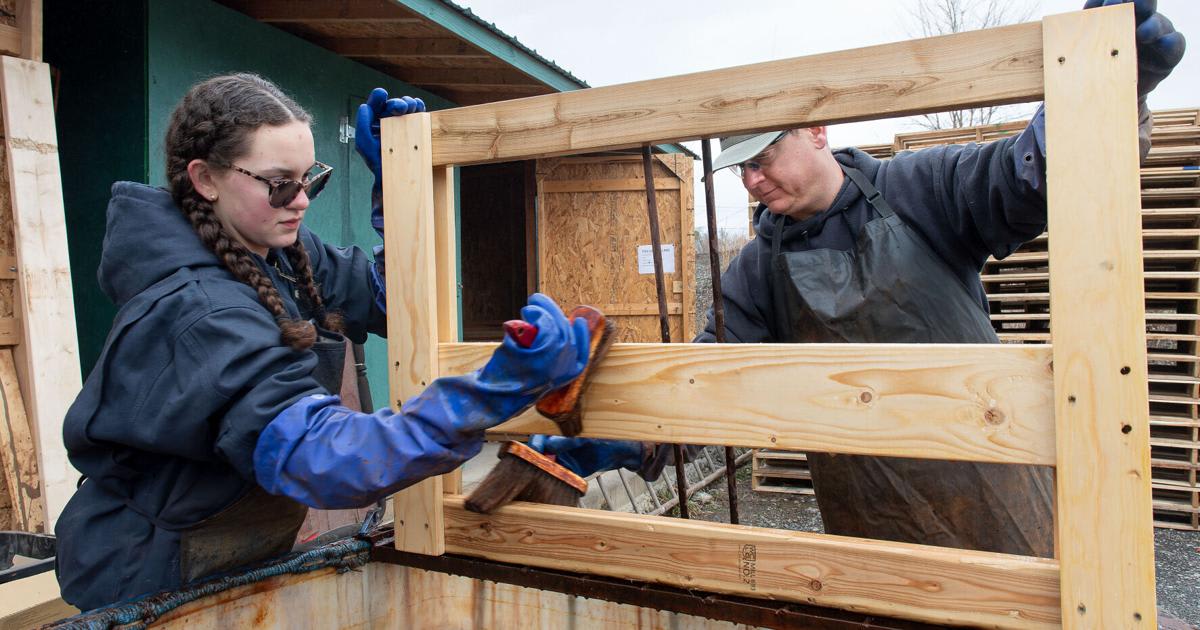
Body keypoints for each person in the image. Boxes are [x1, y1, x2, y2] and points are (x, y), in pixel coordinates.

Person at [533, 0, 1185, 557]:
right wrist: (620, 433)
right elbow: (712, 387)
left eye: (763, 157)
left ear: (817, 128)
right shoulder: (758, 269)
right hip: (873, 533)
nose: (753, 180)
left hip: (999, 501)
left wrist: (1105, 85)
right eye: (740, 169)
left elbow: (1028, 178)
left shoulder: (921, 189)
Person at [54, 74, 592, 610]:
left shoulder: (281, 252)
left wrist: (401, 191)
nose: (301, 200)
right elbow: (329, 459)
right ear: (205, 179)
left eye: (310, 179)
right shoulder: (198, 313)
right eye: (279, 183)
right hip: (145, 575)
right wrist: (491, 392)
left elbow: (388, 303)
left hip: (228, 550)